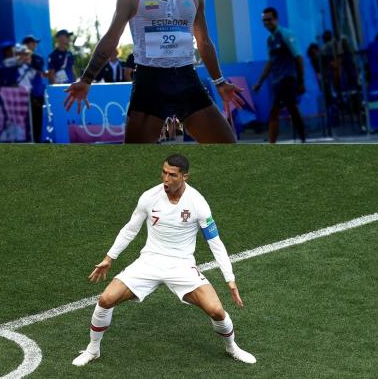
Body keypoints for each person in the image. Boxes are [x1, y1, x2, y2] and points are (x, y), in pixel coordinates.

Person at [63, 0, 244, 143]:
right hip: (150, 82)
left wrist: (220, 82)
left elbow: (203, 41)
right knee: (137, 165)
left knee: (228, 149)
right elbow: (112, 37)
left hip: (187, 80)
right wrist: (87, 78)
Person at [72, 154, 255, 367]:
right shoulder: (149, 197)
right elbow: (130, 229)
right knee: (105, 299)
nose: (166, 179)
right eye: (164, 172)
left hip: (182, 266)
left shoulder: (198, 203)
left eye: (172, 175)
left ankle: (232, 347)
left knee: (216, 310)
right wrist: (109, 258)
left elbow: (215, 242)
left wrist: (229, 279)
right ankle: (93, 350)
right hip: (149, 262)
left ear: (184, 177)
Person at [252, 7, 307, 143]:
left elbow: (298, 58)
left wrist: (301, 82)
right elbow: (270, 63)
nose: (266, 23)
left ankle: (272, 143)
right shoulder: (270, 40)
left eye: (269, 20)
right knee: (292, 109)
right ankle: (303, 138)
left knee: (274, 111)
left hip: (288, 79)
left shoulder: (286, 34)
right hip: (277, 81)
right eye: (264, 21)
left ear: (276, 19)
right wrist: (260, 81)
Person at [22, 34, 48, 142]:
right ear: (26, 44)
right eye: (32, 42)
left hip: (38, 94)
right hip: (25, 94)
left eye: (35, 42)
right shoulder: (19, 59)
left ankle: (37, 142)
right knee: (26, 121)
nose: (35, 44)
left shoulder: (38, 58)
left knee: (38, 120)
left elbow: (40, 72)